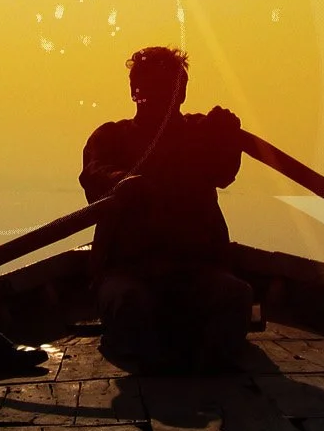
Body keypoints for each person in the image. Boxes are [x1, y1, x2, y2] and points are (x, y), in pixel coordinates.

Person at [80, 45, 252, 373]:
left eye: (170, 88)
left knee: (236, 296)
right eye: (152, 88)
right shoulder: (111, 137)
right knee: (129, 304)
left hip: (197, 272)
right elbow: (94, 173)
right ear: (135, 91)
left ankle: (199, 360)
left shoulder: (201, 132)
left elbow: (223, 172)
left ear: (182, 92)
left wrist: (227, 138)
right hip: (128, 272)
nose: (162, 97)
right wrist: (121, 181)